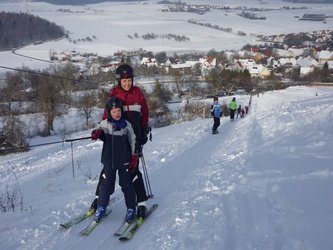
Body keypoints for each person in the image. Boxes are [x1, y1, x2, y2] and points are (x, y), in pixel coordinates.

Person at [90, 64, 150, 219]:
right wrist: (101, 132)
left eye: (129, 80)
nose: (127, 84)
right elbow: (106, 117)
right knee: (107, 171)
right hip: (114, 139)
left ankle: (141, 203)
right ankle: (99, 199)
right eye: (124, 81)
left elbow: (145, 114)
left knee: (133, 169)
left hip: (133, 137)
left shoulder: (138, 94)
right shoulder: (114, 94)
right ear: (119, 82)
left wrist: (144, 131)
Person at [90, 97, 137, 223]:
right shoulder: (105, 124)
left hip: (124, 161)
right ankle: (101, 207)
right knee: (106, 186)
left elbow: (133, 140)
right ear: (109, 113)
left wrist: (134, 155)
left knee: (127, 185)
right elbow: (97, 129)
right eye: (114, 111)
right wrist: (96, 133)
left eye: (119, 111)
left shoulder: (126, 125)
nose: (117, 113)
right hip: (109, 161)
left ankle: (131, 208)